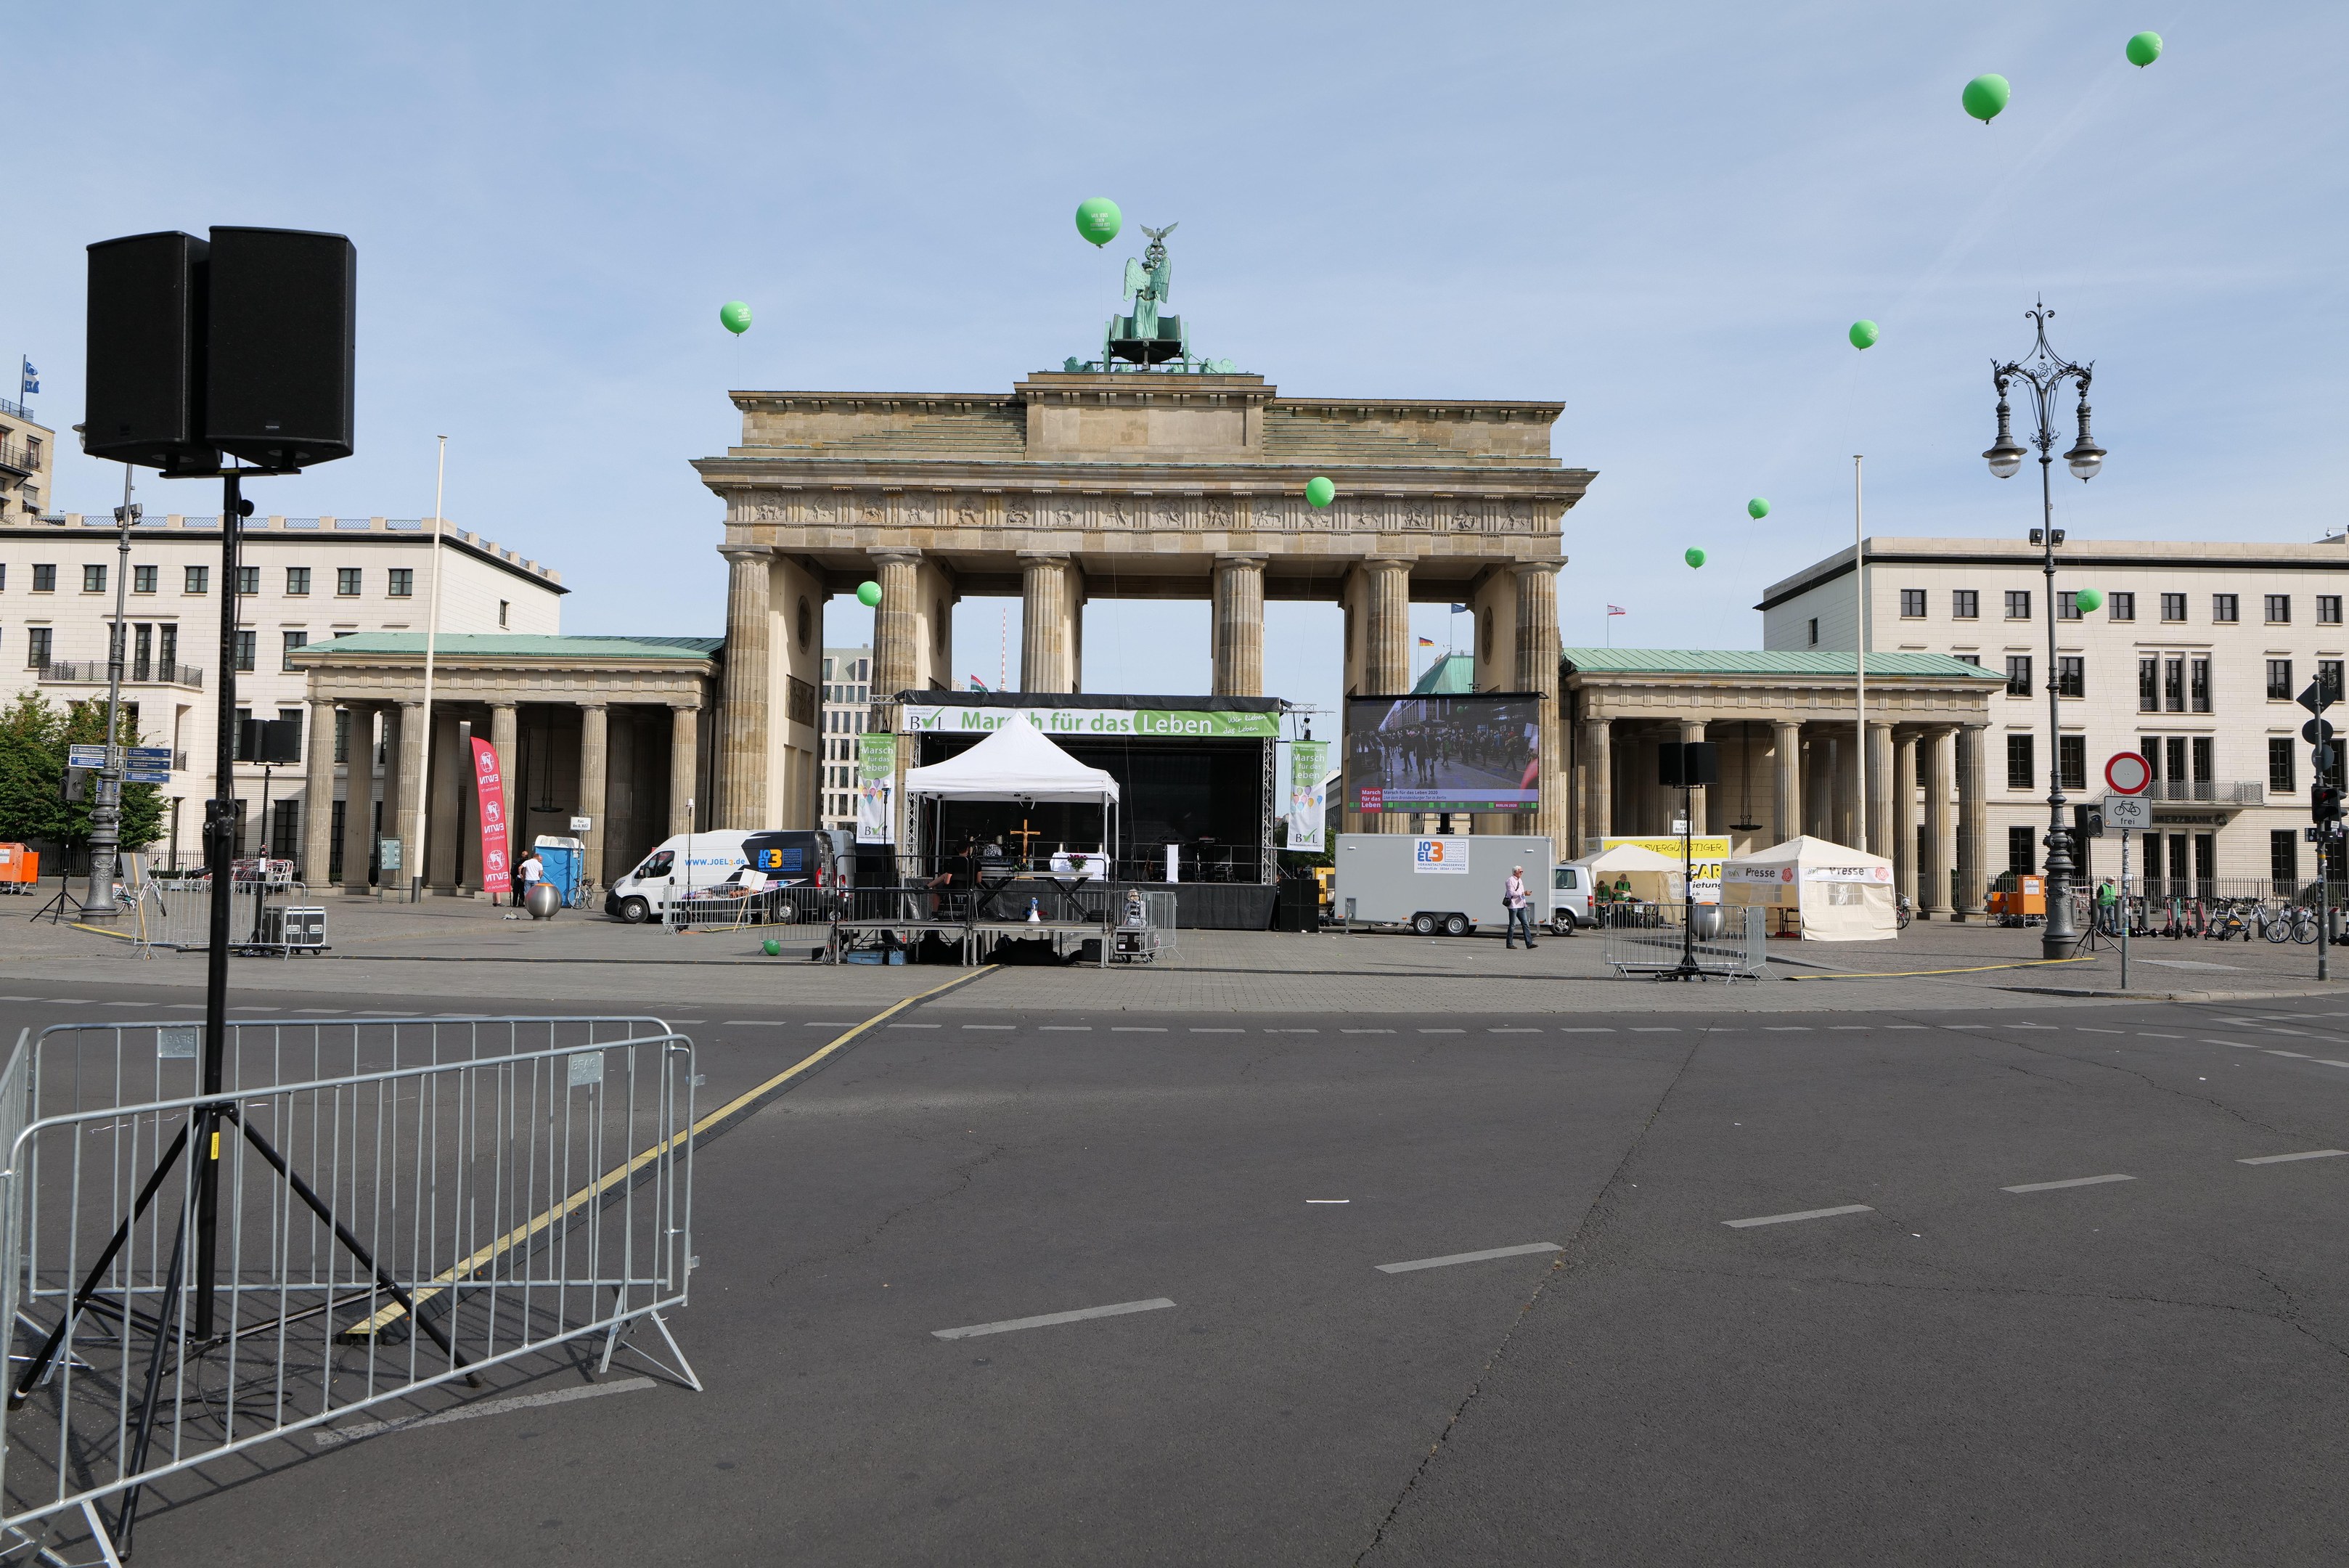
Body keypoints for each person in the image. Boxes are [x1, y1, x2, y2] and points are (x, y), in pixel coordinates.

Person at [1504, 864, 1537, 950]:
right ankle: (1509, 944)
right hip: (1513, 906)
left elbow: (1521, 893)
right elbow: (1511, 893)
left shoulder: (1520, 880)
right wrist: (1523, 893)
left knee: (1526, 924)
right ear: (1516, 872)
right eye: (1520, 871)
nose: (1522, 873)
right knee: (1512, 925)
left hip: (1521, 906)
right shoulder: (1510, 880)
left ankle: (1529, 944)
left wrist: (1525, 900)